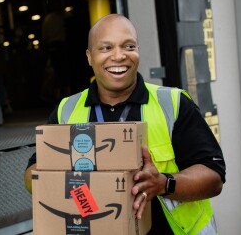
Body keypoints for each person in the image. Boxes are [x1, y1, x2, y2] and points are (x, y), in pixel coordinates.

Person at [25, 14, 225, 234]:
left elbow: (213, 177)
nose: (118, 56)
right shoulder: (67, 110)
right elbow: (33, 172)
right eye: (106, 48)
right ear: (89, 57)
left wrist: (163, 183)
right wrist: (61, 183)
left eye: (128, 46)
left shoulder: (172, 103)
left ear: (138, 50)